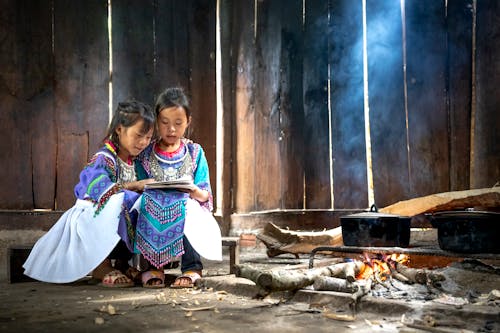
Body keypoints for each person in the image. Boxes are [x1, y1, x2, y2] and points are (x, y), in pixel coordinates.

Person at [23, 100, 156, 287]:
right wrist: (134, 185)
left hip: (116, 219)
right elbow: (97, 189)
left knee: (143, 203)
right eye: (139, 135)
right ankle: (100, 266)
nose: (143, 142)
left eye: (148, 137)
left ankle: (122, 263)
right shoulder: (104, 159)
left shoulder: (138, 162)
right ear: (119, 129)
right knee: (122, 200)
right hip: (91, 218)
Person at [134, 87, 222, 288]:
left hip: (186, 205)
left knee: (188, 207)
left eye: (178, 123)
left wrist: (192, 190)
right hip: (154, 207)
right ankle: (154, 267)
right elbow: (138, 188)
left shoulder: (194, 152)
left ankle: (192, 267)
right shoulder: (145, 154)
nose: (171, 129)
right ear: (156, 122)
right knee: (147, 204)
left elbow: (204, 195)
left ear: (188, 122)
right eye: (164, 123)